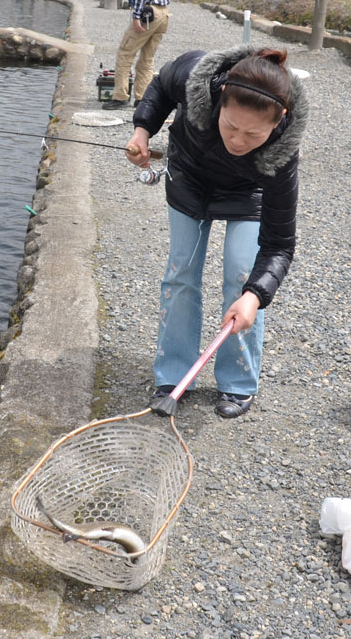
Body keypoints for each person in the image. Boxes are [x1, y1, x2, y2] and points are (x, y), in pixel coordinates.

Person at [125, 46, 309, 419]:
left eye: (253, 134)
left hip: (248, 189)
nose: (238, 141)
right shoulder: (196, 74)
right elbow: (160, 84)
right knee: (181, 273)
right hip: (189, 174)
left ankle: (238, 382)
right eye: (231, 126)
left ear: (279, 121)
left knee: (241, 277)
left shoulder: (283, 154)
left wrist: (255, 296)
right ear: (221, 97)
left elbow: (279, 244)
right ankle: (174, 374)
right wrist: (143, 130)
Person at [102, 0, 170, 110]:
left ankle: (120, 97)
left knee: (125, 54)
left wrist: (136, 17)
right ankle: (142, 99)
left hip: (148, 14)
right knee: (147, 59)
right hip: (164, 14)